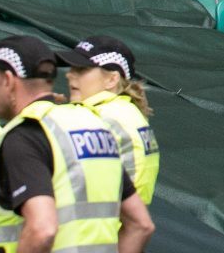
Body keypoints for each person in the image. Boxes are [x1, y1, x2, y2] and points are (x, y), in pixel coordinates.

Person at [0, 35, 152, 253]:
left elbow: (43, 229)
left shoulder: (28, 134)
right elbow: (141, 224)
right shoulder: (94, 124)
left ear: (8, 80)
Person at [55, 36, 159, 205]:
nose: (69, 75)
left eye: (81, 69)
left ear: (112, 79)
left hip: (90, 226)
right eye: (72, 68)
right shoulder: (129, 114)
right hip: (116, 226)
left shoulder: (96, 117)